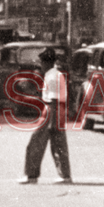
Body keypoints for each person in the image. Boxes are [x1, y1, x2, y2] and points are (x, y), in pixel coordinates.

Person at [20, 48, 72, 185]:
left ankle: (31, 175)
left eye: (41, 63)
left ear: (46, 63)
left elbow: (53, 98)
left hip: (51, 109)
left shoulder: (51, 76)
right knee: (59, 145)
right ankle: (65, 175)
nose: (40, 66)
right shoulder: (57, 74)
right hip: (59, 109)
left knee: (35, 143)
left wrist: (50, 121)